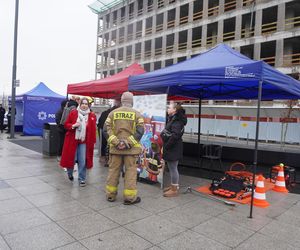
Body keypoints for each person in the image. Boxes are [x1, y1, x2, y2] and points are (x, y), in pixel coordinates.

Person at [104, 91, 144, 205]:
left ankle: (110, 195)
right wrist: (127, 143)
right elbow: (140, 131)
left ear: (122, 101)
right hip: (131, 151)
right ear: (132, 101)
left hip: (115, 150)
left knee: (113, 172)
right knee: (131, 172)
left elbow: (106, 130)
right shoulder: (137, 114)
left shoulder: (112, 113)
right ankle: (129, 198)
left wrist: (117, 143)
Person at [60, 97, 97, 187]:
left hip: (84, 142)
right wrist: (73, 125)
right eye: (82, 104)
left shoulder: (92, 116)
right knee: (71, 159)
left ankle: (82, 179)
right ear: (80, 105)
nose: (84, 105)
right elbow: (66, 124)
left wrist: (93, 141)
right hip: (73, 140)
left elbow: (93, 130)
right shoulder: (73, 113)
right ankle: (70, 173)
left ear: (88, 105)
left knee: (82, 160)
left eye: (86, 104)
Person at [161, 102, 187, 197]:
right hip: (172, 147)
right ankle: (173, 185)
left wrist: (166, 146)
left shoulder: (176, 122)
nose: (168, 109)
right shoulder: (174, 119)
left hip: (173, 148)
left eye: (169, 107)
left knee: (173, 168)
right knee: (172, 167)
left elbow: (175, 136)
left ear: (174, 110)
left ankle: (174, 189)